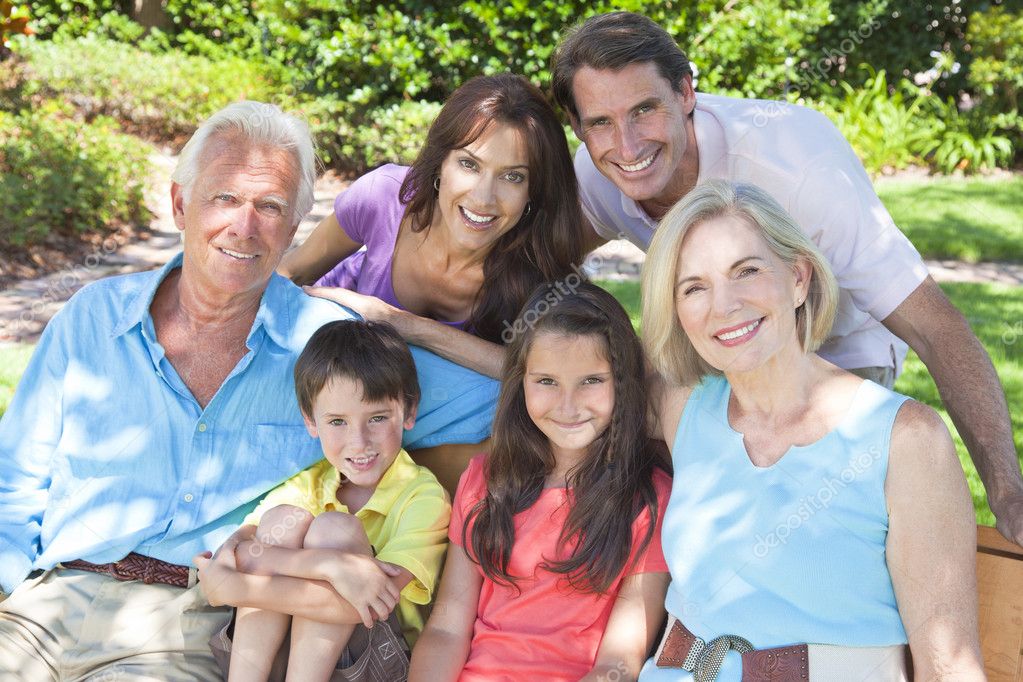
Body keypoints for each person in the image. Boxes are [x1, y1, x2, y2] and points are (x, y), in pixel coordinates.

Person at [0, 101, 498, 680]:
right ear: (180, 204)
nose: (245, 226)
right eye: (225, 198)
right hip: (44, 602)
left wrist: (403, 324)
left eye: (270, 207)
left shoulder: (330, 347)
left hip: (183, 625)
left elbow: (536, 393)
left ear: (293, 228)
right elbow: (15, 480)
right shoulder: (93, 317)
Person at [550, 10, 1023, 545]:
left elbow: (936, 327)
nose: (629, 146)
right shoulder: (601, 172)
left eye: (644, 110)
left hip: (836, 348)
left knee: (812, 526)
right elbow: (541, 268)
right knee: (657, 478)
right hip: (718, 342)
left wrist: (1008, 495)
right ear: (578, 127)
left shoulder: (798, 168)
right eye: (601, 122)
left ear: (685, 93)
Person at [638, 180, 983, 680]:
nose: (724, 305)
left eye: (747, 271)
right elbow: (560, 386)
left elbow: (948, 665)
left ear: (799, 278)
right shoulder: (683, 405)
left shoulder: (905, 440)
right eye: (694, 288)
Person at [410, 282, 672, 682]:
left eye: (592, 380)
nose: (568, 406)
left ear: (623, 382)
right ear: (521, 382)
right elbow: (447, 628)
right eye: (547, 381)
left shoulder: (646, 499)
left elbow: (619, 663)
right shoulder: (486, 480)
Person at [280, 73, 587, 380]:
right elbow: (291, 273)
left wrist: (407, 325)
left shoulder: (539, 263)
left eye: (513, 176)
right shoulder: (384, 196)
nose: (483, 198)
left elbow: (549, 372)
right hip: (326, 354)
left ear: (534, 190)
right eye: (469, 164)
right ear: (440, 162)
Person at [195, 319, 449, 681]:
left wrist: (238, 587)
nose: (359, 442)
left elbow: (367, 604)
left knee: (335, 529)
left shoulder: (423, 496)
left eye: (377, 418)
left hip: (373, 662)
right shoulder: (311, 483)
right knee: (283, 520)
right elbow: (238, 550)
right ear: (311, 421)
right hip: (280, 658)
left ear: (408, 411)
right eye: (338, 422)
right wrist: (328, 566)